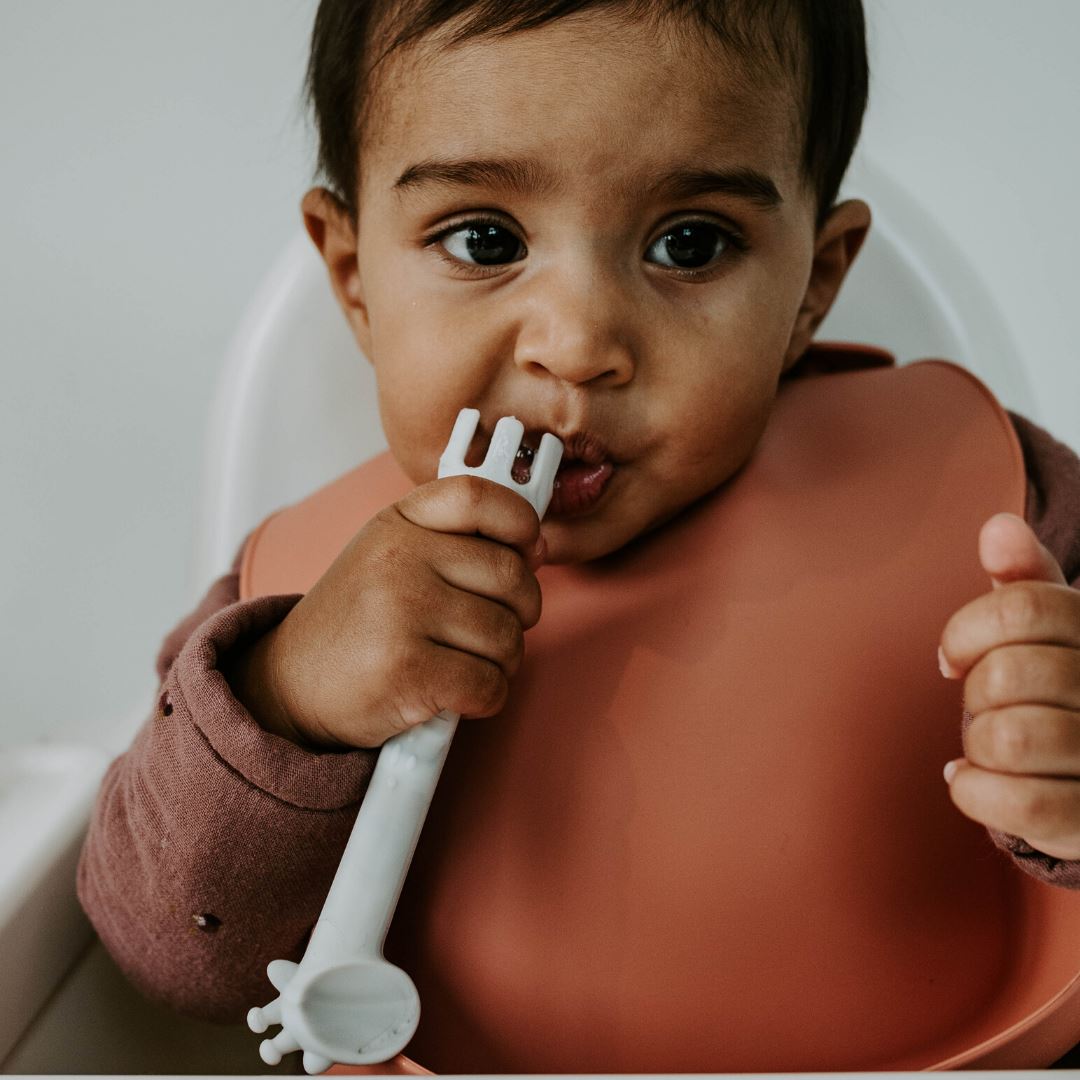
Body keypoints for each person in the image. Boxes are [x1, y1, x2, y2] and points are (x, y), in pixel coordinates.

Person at [78, 0, 1080, 1068]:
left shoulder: (988, 497)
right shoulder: (293, 597)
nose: (580, 344)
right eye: (484, 240)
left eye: (690, 245)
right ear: (354, 272)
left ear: (812, 284)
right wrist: (293, 698)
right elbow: (161, 953)